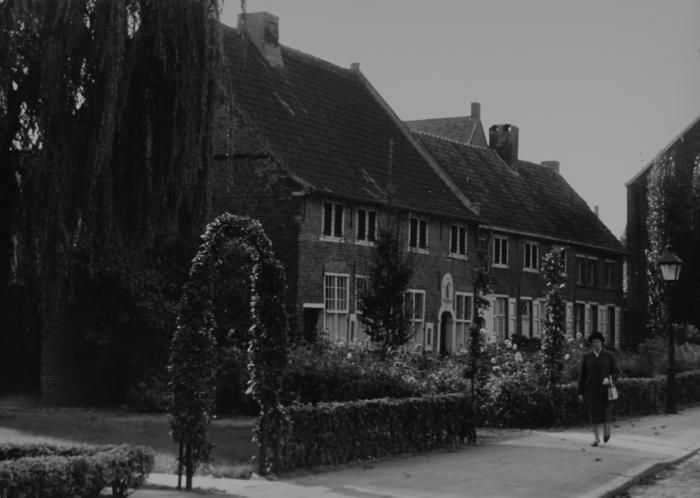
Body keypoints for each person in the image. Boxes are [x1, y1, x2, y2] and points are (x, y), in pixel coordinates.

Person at [577, 331, 620, 446]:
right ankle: (596, 438)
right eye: (593, 342)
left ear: (601, 343)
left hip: (606, 391)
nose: (595, 344)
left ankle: (607, 431)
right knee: (594, 415)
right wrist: (580, 392)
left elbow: (616, 372)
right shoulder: (587, 356)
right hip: (592, 390)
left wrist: (609, 378)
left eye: (597, 342)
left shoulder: (609, 355)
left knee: (606, 413)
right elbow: (583, 375)